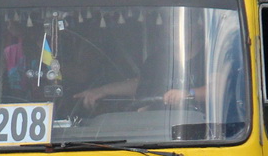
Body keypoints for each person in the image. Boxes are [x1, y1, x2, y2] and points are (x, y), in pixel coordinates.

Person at [74, 10, 206, 110]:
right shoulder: (157, 59)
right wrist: (101, 91)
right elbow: (140, 84)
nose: (178, 29)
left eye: (185, 23)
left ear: (199, 25)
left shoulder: (209, 55)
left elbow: (219, 89)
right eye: (173, 23)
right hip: (156, 129)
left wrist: (189, 94)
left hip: (198, 132)